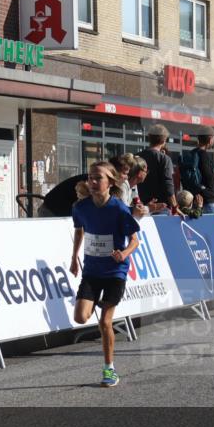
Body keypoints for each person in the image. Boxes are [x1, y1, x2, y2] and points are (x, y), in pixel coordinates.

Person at [70, 162, 141, 388]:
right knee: (80, 317)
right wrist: (74, 258)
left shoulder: (119, 209)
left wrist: (124, 253)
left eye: (98, 178)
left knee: (105, 322)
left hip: (114, 272)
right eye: (90, 178)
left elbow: (135, 240)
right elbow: (79, 231)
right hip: (92, 272)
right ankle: (95, 304)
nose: (92, 182)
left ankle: (109, 370)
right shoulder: (81, 207)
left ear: (110, 182)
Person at [136, 124, 179, 214]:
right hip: (161, 207)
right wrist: (175, 207)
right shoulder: (164, 159)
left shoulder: (138, 157)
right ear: (164, 140)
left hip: (141, 207)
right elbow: (168, 184)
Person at [180, 134, 214, 214]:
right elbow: (210, 180)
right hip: (207, 200)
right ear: (210, 140)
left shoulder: (191, 154)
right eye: (213, 138)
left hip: (195, 199)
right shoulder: (203, 155)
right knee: (210, 226)